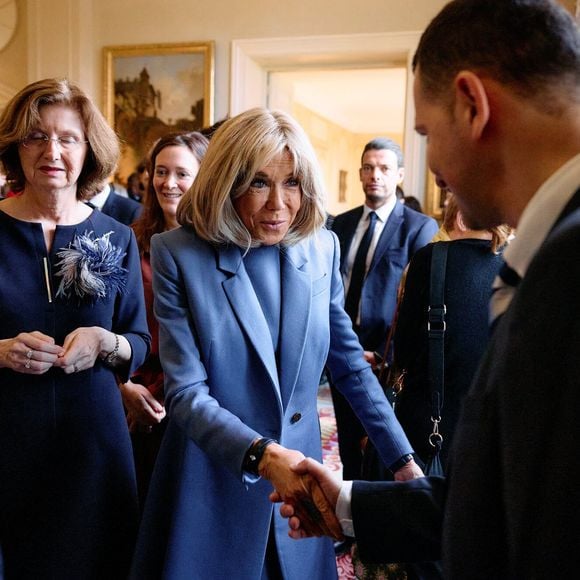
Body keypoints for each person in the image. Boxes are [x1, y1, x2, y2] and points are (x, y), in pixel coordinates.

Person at [274, 0, 580, 577]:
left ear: (471, 104)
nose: (431, 163)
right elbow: (513, 500)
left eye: (425, 133)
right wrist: (347, 503)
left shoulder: (568, 265)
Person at [130, 108, 422, 580]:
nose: (279, 205)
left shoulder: (321, 247)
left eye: (292, 183)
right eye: (260, 183)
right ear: (227, 182)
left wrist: (402, 459)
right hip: (211, 477)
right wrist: (263, 456)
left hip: (301, 480)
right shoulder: (179, 254)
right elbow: (185, 393)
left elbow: (347, 363)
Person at [0, 78, 150, 578]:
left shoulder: (116, 236)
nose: (52, 150)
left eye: (68, 138)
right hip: (8, 436)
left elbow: (140, 344)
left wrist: (107, 343)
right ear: (14, 146)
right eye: (35, 137)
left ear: (89, 151)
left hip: (94, 442)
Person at [330, 137, 438, 478]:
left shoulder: (418, 227)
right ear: (360, 173)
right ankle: (348, 517)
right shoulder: (341, 224)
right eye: (368, 167)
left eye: (384, 168)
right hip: (342, 348)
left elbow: (419, 302)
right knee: (349, 443)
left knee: (382, 447)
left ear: (399, 175)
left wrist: (384, 354)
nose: (374, 175)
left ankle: (373, 519)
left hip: (386, 356)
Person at [120, 130, 208, 504]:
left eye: (182, 174)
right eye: (160, 171)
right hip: (135, 400)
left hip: (198, 404)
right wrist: (124, 389)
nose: (168, 183)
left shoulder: (221, 249)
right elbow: (109, 325)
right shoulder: (128, 242)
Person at [394, 193, 511, 469]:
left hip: (431, 424)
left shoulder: (430, 260)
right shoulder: (517, 264)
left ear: (459, 218)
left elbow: (405, 350)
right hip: (495, 426)